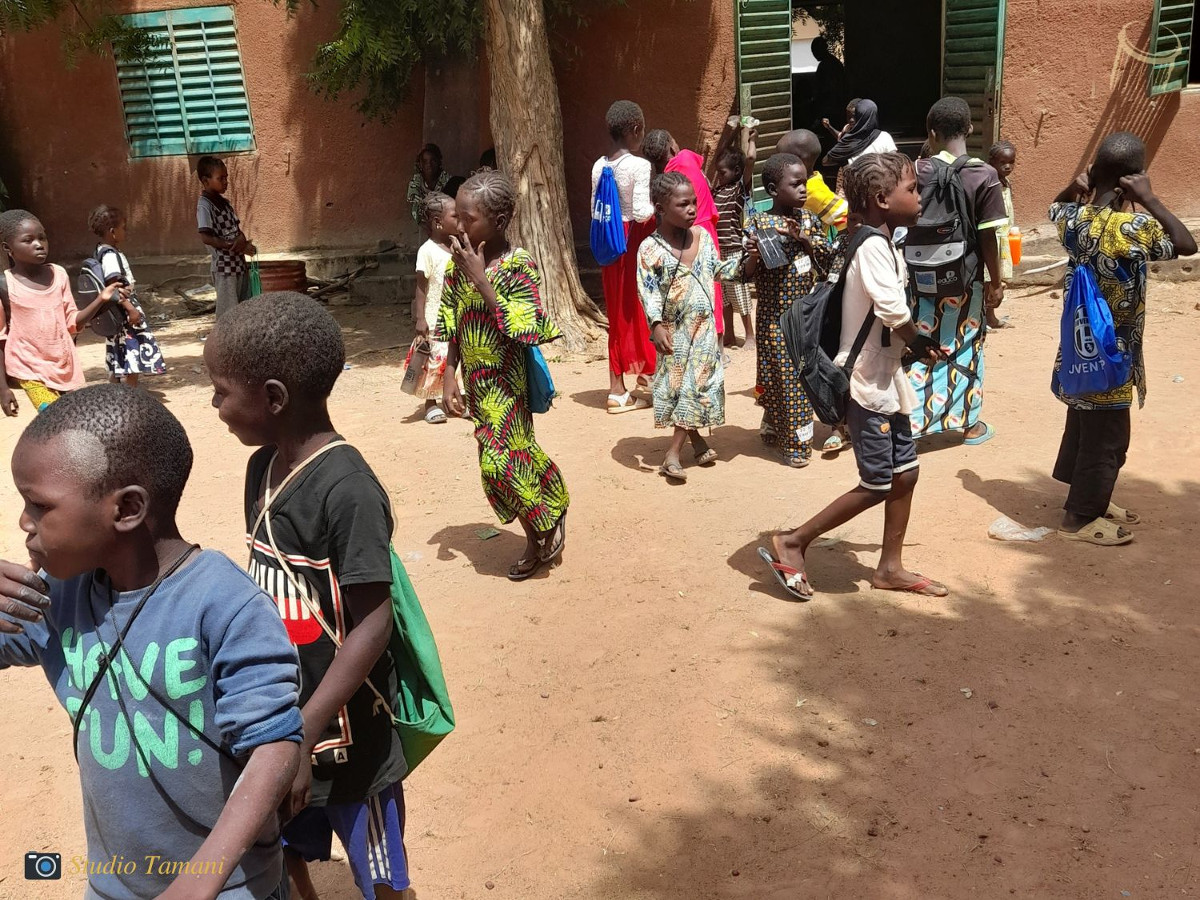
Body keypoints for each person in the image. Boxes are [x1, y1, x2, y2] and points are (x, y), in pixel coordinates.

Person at [0, 384, 303, 899]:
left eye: (40, 506)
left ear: (127, 509)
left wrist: (199, 883)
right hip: (116, 884)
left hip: (227, 887)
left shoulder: (224, 603)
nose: (25, 524)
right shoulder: (59, 598)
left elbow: (274, 747)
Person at [204, 293, 414, 900]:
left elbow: (372, 625)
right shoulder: (260, 468)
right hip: (278, 721)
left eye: (221, 392)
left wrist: (306, 727)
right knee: (283, 847)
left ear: (273, 398)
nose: (216, 407)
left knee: (379, 872)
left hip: (348, 739)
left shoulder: (348, 489)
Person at [758, 153, 948, 601]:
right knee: (878, 481)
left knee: (906, 473)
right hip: (865, 383)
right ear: (883, 199)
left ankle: (889, 568)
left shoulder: (874, 240)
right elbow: (891, 309)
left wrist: (912, 346)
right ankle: (793, 541)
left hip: (884, 378)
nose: (919, 196)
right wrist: (919, 343)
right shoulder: (872, 247)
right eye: (912, 189)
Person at [1048, 132, 1195, 546]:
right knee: (1109, 435)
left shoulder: (1072, 220)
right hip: (1114, 351)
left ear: (1094, 173)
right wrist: (1150, 198)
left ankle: (1089, 496)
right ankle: (1079, 519)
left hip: (1080, 346)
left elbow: (1055, 206)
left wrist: (1075, 186)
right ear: (1134, 178)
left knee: (1083, 417)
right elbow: (1186, 243)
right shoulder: (1133, 226)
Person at [439, 170, 569, 581]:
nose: (458, 226)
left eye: (468, 217)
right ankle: (551, 502)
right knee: (500, 461)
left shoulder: (519, 265)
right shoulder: (458, 263)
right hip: (478, 386)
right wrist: (448, 374)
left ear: (498, 221)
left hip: (507, 384)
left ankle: (539, 537)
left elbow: (526, 325)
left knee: (502, 462)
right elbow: (454, 319)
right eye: (457, 216)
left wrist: (482, 280)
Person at [907, 97, 1008, 445]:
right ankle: (969, 425)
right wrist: (996, 281)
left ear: (930, 132)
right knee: (966, 345)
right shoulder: (984, 175)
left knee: (921, 343)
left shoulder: (915, 172)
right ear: (969, 129)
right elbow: (988, 235)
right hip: (965, 281)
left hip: (919, 279)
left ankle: (913, 424)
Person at [638, 173, 750, 482]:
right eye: (683, 204)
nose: (692, 209)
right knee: (677, 389)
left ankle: (672, 455)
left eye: (694, 203)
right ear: (660, 207)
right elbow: (648, 291)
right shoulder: (650, 249)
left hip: (704, 331)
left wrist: (748, 262)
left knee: (698, 386)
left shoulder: (702, 237)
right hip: (673, 333)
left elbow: (719, 271)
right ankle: (697, 441)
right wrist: (656, 325)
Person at [750, 153, 838, 468]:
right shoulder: (759, 224)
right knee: (777, 377)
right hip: (774, 317)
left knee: (798, 378)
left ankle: (796, 440)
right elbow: (746, 273)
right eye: (796, 183)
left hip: (805, 316)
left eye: (805, 182)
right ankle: (783, 429)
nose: (804, 189)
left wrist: (805, 242)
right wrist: (754, 252)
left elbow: (828, 265)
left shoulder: (810, 221)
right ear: (774, 190)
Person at [0, 209, 121, 414]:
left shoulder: (59, 274)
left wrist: (102, 299)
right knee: (54, 415)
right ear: (7, 248)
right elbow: (0, 338)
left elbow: (73, 322)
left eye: (42, 238)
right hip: (28, 367)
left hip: (63, 365)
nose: (39, 244)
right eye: (28, 240)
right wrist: (2, 388)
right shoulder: (5, 285)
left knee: (73, 420)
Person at [592, 100, 656, 413]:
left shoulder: (598, 165)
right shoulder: (639, 166)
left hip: (609, 247)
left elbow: (598, 209)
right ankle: (647, 374)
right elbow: (642, 212)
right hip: (633, 246)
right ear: (634, 130)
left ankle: (617, 387)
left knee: (617, 316)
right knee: (642, 310)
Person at [643, 128, 725, 332]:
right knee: (712, 278)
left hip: (680, 232)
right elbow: (699, 163)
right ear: (672, 147)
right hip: (703, 227)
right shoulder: (686, 157)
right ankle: (718, 337)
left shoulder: (664, 182)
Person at [87, 204, 166, 389]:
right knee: (133, 354)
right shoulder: (110, 256)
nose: (126, 232)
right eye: (124, 227)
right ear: (113, 232)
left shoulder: (101, 250)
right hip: (125, 312)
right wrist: (131, 310)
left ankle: (116, 389)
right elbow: (115, 287)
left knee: (119, 352)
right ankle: (131, 394)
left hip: (116, 312)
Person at [411, 191, 459, 424]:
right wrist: (421, 319)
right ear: (438, 223)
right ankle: (431, 402)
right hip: (435, 314)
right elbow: (421, 288)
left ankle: (455, 397)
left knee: (455, 357)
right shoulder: (427, 251)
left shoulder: (458, 247)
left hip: (456, 314)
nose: (460, 220)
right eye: (455, 216)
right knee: (434, 359)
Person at [711, 124, 758, 348]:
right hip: (719, 250)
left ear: (736, 173)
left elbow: (749, 160)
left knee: (740, 293)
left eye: (723, 172)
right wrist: (730, 133)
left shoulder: (740, 190)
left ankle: (749, 335)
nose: (718, 176)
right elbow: (716, 159)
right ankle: (729, 334)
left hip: (734, 250)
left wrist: (750, 137)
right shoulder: (716, 190)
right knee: (725, 297)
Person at [196, 155, 256, 319]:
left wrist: (243, 242)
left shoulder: (225, 203)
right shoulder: (204, 206)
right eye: (220, 178)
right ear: (206, 181)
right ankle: (224, 343)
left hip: (238, 265)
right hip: (225, 269)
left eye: (226, 178)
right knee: (227, 314)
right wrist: (231, 244)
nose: (225, 182)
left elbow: (237, 230)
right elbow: (206, 237)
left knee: (244, 308)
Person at [779, 128, 850, 235]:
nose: (777, 162)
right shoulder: (810, 182)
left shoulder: (814, 190)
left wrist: (837, 247)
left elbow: (847, 218)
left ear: (798, 159)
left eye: (781, 158)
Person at [824, 99, 898, 194]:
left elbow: (827, 160)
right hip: (879, 189)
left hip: (856, 192)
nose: (851, 120)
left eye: (855, 116)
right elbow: (894, 164)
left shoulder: (849, 140)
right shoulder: (885, 137)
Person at [986, 140, 1018, 328]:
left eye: (1011, 162)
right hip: (992, 237)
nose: (1007, 166)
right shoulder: (990, 183)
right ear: (991, 162)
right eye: (1002, 162)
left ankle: (990, 316)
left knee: (996, 279)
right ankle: (984, 317)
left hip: (1003, 237)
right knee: (989, 279)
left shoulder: (1006, 183)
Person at [406, 143, 452, 223]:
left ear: (439, 162)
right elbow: (416, 208)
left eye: (433, 160)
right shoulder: (416, 182)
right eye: (425, 161)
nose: (429, 164)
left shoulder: (448, 180)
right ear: (420, 164)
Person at [811, 36, 849, 128]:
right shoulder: (834, 62)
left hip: (831, 109)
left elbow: (829, 89)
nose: (814, 54)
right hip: (836, 107)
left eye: (814, 51)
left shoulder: (826, 65)